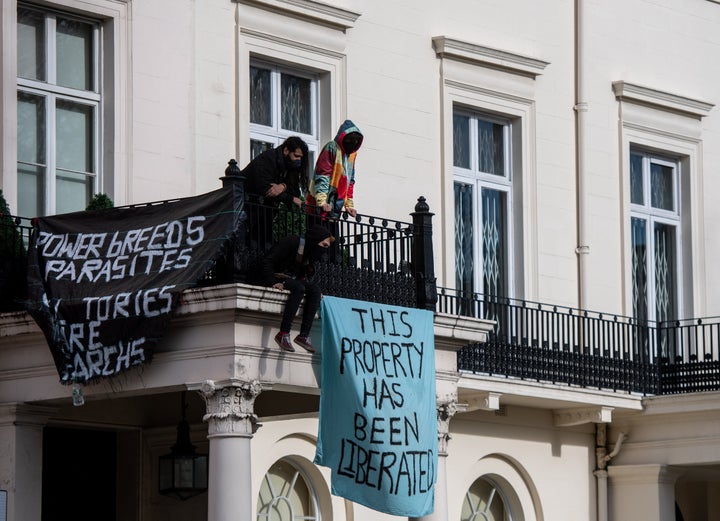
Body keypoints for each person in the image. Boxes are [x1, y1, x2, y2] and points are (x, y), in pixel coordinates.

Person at [258, 224, 334, 353]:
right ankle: (283, 333)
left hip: (288, 279)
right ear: (315, 240)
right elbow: (267, 262)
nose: (324, 250)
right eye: (324, 245)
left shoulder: (308, 252)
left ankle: (303, 336)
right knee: (298, 288)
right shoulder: (291, 242)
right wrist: (272, 282)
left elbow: (300, 274)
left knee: (315, 290)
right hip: (272, 277)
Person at [242, 136, 309, 251]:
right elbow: (264, 188)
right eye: (296, 156)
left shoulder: (290, 168)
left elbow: (295, 191)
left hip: (265, 213)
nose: (298, 160)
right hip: (246, 209)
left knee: (263, 246)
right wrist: (289, 198)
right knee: (250, 245)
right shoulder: (268, 158)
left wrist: (282, 186)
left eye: (300, 158)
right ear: (286, 150)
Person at [306, 120, 363, 220]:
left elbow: (350, 181)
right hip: (319, 208)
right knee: (320, 233)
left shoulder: (352, 155)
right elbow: (323, 175)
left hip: (335, 208)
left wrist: (349, 205)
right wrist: (322, 202)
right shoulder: (332, 147)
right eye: (350, 140)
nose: (353, 143)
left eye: (355, 141)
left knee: (331, 234)